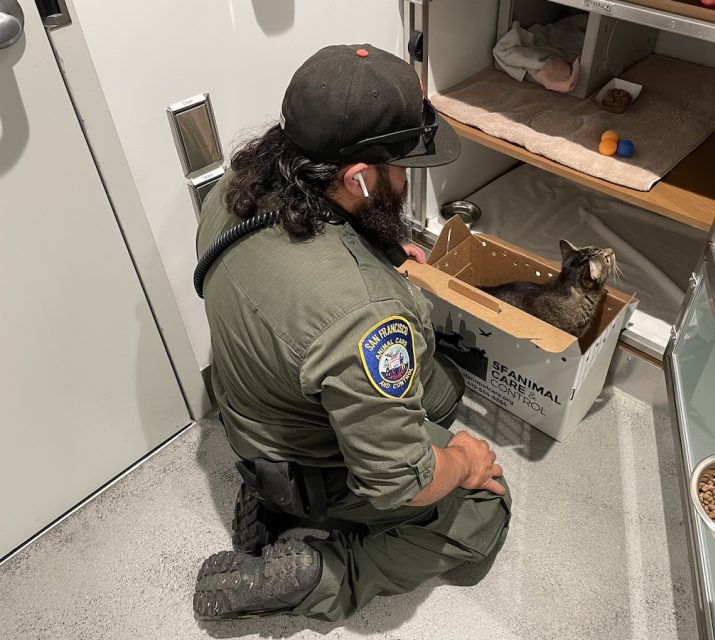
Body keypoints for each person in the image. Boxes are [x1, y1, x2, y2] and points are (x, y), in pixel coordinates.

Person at [193, 43, 511, 622]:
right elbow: (399, 486)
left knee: (440, 392)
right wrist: (464, 462)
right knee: (484, 510)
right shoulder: (367, 317)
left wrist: (377, 253)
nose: (406, 181)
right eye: (401, 169)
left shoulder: (232, 187)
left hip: (252, 410)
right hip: (306, 458)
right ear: (360, 177)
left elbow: (299, 270)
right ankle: (323, 574)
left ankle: (276, 504)